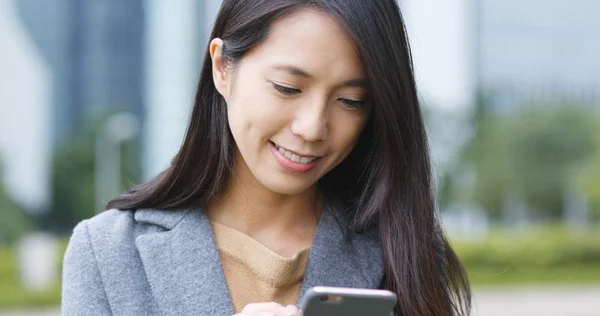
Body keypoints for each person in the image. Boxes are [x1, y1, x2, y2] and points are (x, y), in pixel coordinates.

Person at [61, 0, 472, 315]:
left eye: (350, 101)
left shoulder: (401, 250)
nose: (312, 127)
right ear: (222, 68)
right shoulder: (108, 254)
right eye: (287, 88)